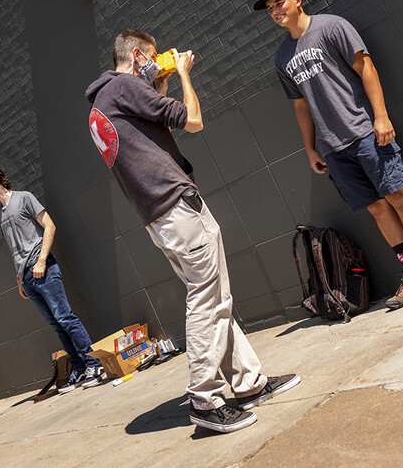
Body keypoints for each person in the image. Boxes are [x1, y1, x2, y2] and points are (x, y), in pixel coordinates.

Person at [86, 29, 300, 433]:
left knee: (214, 297)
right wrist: (183, 73)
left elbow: (150, 132)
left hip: (157, 215)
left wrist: (158, 84)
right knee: (207, 300)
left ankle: (248, 383)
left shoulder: (104, 100)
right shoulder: (126, 86)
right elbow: (194, 121)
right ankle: (204, 399)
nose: (156, 63)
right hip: (177, 207)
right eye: (152, 57)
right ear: (137, 55)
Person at [255, 0, 403, 308]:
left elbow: (366, 68)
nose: (275, 11)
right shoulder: (282, 56)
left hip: (366, 131)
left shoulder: (332, 26)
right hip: (333, 148)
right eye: (270, 8)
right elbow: (300, 105)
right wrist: (310, 148)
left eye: (280, 3)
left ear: (298, 0)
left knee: (399, 197)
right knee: (377, 208)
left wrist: (381, 117)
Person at [0, 165, 103, 392]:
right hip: (26, 278)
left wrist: (42, 260)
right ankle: (79, 368)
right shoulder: (0, 214)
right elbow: (14, 248)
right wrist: (18, 279)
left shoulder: (24, 198)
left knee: (65, 318)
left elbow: (49, 226)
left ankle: (94, 364)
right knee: (56, 325)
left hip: (43, 268)